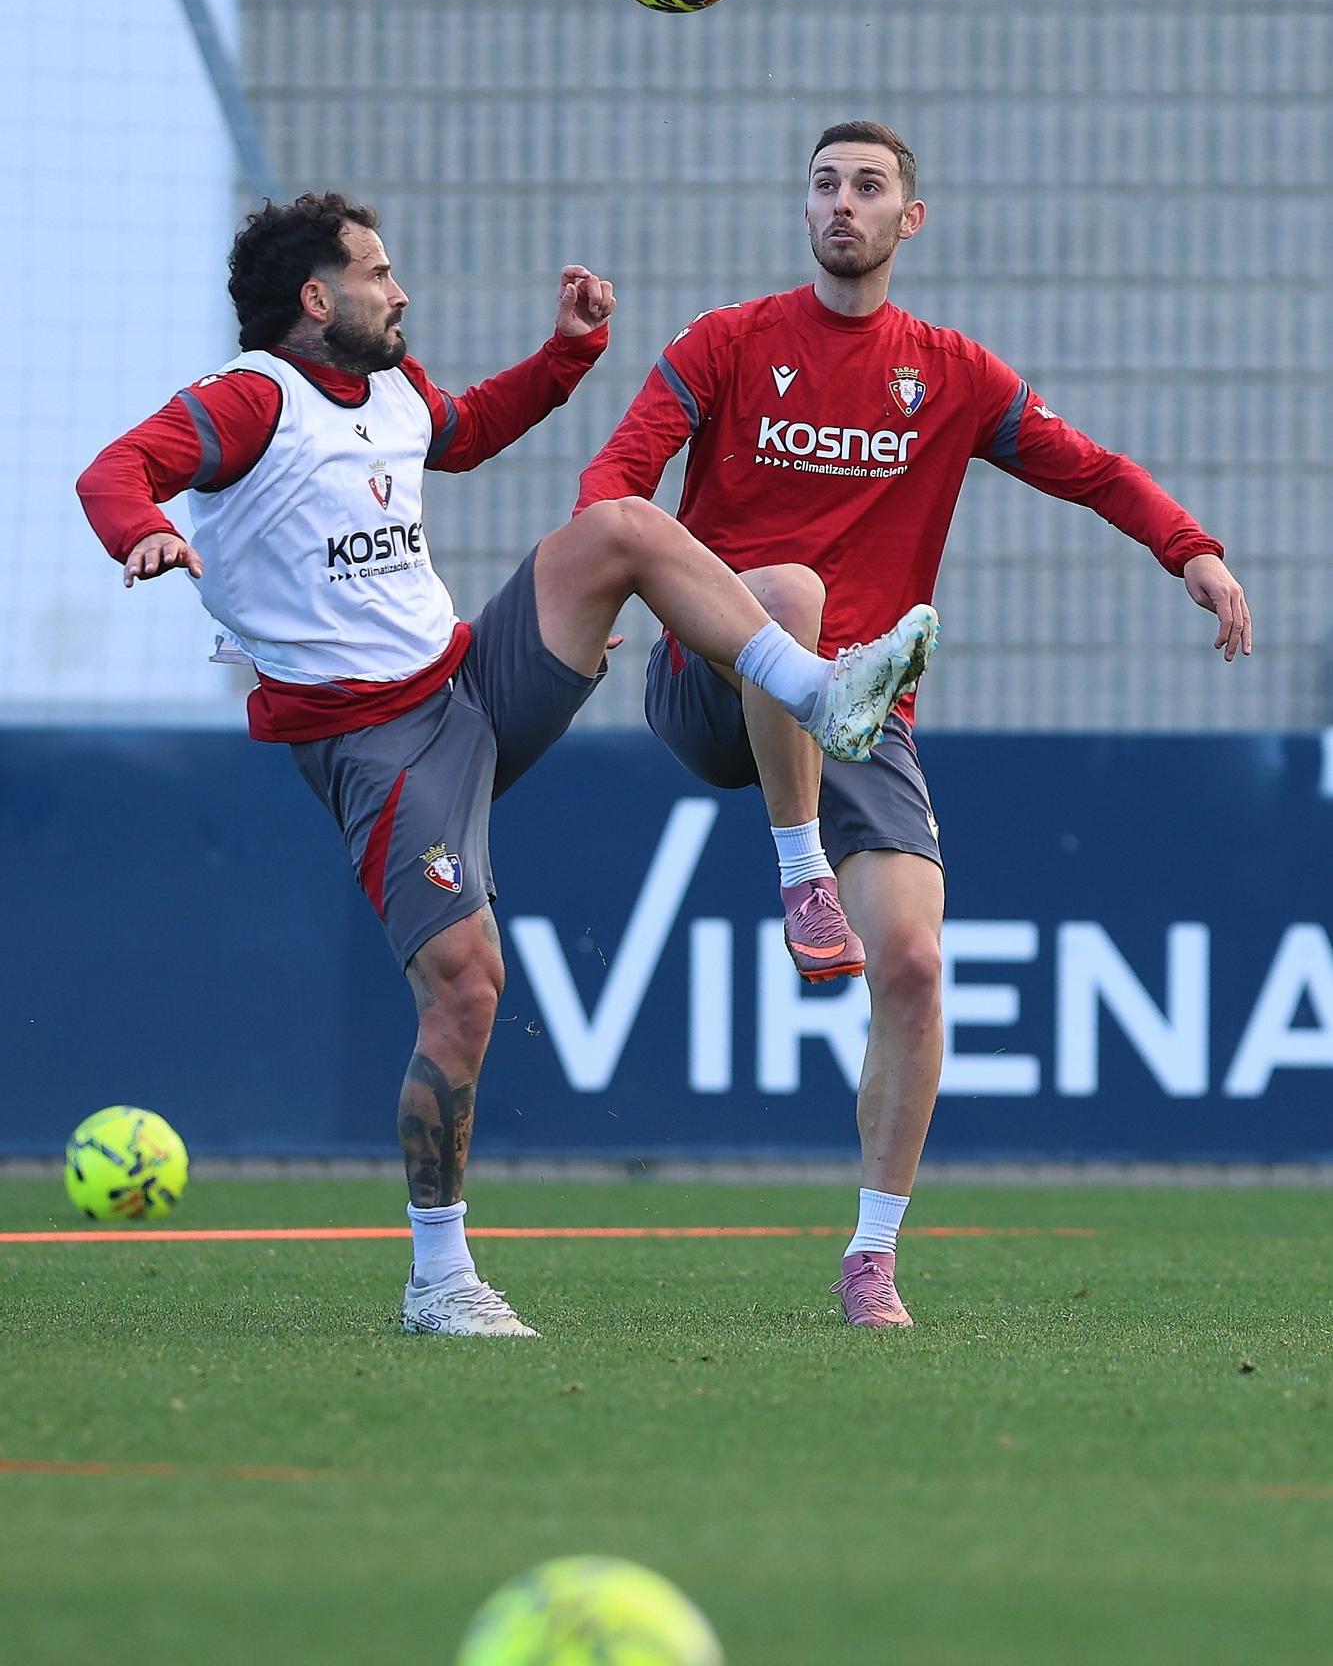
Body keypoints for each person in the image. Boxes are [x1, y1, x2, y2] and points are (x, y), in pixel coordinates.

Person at [76, 189, 939, 1339]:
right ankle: (439, 1279)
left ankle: (814, 690)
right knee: (467, 986)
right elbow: (114, 471)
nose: (400, 290)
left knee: (620, 529)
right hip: (373, 743)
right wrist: (143, 528)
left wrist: (567, 355)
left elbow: (466, 428)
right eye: (378, 273)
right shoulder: (252, 399)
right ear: (316, 298)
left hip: (467, 681)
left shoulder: (388, 383)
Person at [577, 120, 1252, 1331]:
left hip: (861, 714)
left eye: (868, 186)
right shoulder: (726, 343)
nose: (843, 202)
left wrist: (1188, 549)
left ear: (908, 221)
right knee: (786, 593)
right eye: (824, 184)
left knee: (917, 963)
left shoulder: (949, 372)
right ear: (805, 211)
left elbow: (1088, 465)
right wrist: (593, 590)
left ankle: (871, 1258)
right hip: (713, 669)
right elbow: (617, 480)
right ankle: (800, 876)